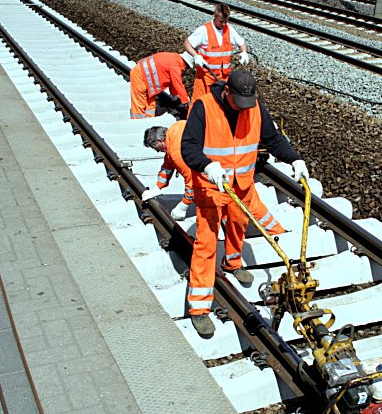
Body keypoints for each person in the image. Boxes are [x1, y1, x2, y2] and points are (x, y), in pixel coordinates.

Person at [181, 71, 308, 336]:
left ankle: (233, 264)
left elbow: (272, 139)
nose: (243, 108)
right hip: (211, 185)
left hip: (240, 184)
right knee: (206, 243)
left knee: (238, 223)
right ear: (227, 91)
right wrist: (207, 165)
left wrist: (294, 158)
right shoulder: (203, 107)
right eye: (238, 102)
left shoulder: (255, 106)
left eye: (247, 103)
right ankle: (198, 307)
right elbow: (188, 147)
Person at [142, 124, 286, 233]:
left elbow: (191, 183)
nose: (158, 152)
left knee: (244, 203)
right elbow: (167, 166)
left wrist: (183, 206)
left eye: (156, 148)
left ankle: (265, 233)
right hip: (227, 163)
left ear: (161, 141)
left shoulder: (176, 150)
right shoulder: (175, 130)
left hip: (224, 173)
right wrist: (157, 188)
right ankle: (275, 230)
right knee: (242, 204)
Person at [183, 3, 249, 106]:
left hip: (223, 77)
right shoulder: (204, 30)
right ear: (215, 16)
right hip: (206, 77)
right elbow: (187, 43)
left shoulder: (229, 29)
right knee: (199, 104)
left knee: (220, 106)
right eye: (221, 21)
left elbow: (241, 43)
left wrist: (244, 52)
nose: (223, 24)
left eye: (226, 21)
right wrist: (196, 56)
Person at [129, 52, 190, 120]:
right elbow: (178, 83)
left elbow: (172, 80)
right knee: (139, 104)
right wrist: (186, 100)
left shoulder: (173, 58)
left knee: (150, 105)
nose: (185, 69)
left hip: (146, 78)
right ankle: (137, 123)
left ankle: (149, 121)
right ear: (186, 63)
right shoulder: (175, 65)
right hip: (140, 76)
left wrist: (174, 94)